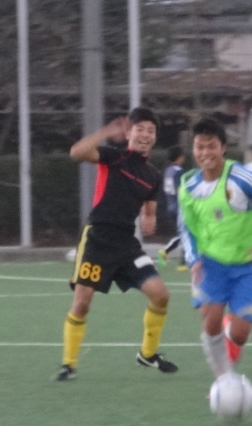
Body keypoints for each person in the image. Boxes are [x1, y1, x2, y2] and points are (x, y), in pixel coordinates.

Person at [56, 107, 178, 381]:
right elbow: (77, 152)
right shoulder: (114, 156)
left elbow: (149, 209)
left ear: (155, 137)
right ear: (129, 132)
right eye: (140, 129)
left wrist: (149, 218)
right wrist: (105, 132)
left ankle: (147, 354)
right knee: (82, 303)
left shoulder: (153, 175)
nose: (145, 134)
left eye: (150, 131)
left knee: (161, 295)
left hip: (126, 244)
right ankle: (68, 365)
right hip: (98, 238)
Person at [178, 118, 252, 378]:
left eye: (211, 146)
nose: (205, 153)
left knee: (239, 335)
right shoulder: (189, 186)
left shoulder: (242, 178)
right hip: (211, 264)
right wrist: (193, 258)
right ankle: (224, 380)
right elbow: (187, 227)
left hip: (247, 265)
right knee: (211, 323)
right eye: (199, 147)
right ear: (193, 149)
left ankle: (231, 335)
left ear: (223, 148)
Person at [157, 145, 187, 271]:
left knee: (183, 233)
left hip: (170, 205)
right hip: (180, 206)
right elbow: (181, 190)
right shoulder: (179, 171)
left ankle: (176, 257)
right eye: (182, 156)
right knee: (186, 234)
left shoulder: (168, 171)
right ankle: (182, 262)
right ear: (179, 158)